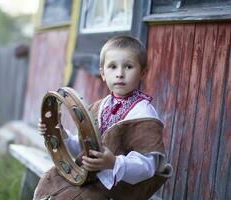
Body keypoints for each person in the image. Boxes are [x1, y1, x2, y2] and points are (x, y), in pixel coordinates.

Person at [34, 36, 172, 200]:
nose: (120, 74)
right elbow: (84, 150)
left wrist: (113, 162)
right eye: (113, 67)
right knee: (49, 181)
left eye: (128, 66)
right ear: (103, 73)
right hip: (87, 178)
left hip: (116, 189)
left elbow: (147, 167)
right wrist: (60, 134)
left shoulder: (144, 114)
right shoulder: (98, 107)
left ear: (142, 72)